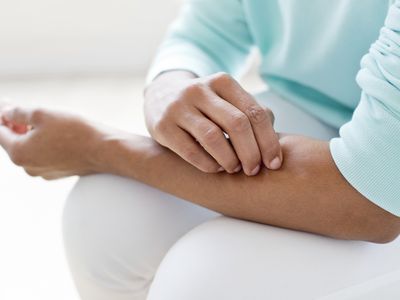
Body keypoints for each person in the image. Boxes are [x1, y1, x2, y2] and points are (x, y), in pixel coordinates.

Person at [1, 0, 400, 299]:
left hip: (384, 177)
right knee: (104, 210)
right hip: (322, 110)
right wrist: (168, 85)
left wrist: (100, 148)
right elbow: (207, 29)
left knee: (205, 279)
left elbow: (370, 197)